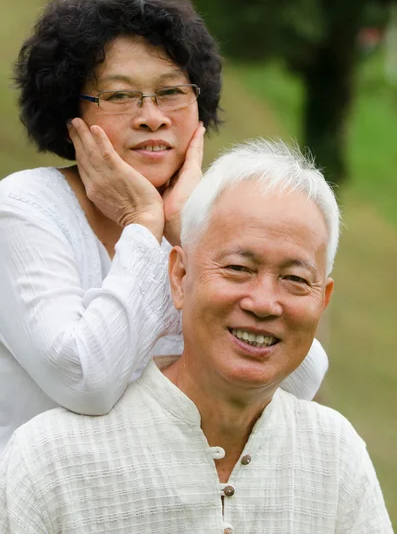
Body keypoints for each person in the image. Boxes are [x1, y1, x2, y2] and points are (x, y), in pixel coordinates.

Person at [0, 140, 392, 533]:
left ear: (322, 300)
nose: (264, 303)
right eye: (239, 268)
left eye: (294, 279)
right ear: (179, 277)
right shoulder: (50, 462)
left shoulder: (335, 456)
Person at [0, 0, 328, 455]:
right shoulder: (24, 208)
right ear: (68, 110)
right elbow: (84, 381)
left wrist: (187, 230)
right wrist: (141, 223)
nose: (151, 117)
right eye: (119, 96)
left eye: (171, 92)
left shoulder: (204, 215)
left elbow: (298, 383)